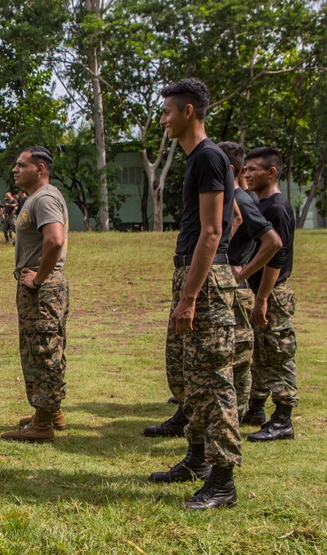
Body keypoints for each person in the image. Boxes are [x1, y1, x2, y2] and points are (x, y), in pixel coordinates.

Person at [144, 142, 281, 438]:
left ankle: (242, 417)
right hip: (213, 276)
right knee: (196, 365)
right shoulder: (229, 193)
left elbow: (273, 243)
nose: (164, 119)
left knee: (226, 364)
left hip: (221, 285)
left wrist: (234, 267)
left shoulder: (240, 195)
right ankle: (192, 422)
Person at [148, 78, 239, 510]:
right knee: (193, 379)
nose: (163, 119)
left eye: (167, 112)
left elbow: (214, 229)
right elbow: (230, 219)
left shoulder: (207, 157)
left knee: (213, 381)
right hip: (197, 275)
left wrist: (191, 295)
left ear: (188, 112)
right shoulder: (201, 159)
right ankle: (197, 461)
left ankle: (222, 482)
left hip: (202, 284)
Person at [0, 147, 69, 443]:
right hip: (41, 284)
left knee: (41, 351)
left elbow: (55, 240)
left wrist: (38, 278)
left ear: (39, 168)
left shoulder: (45, 197)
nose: (15, 169)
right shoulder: (37, 198)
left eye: (21, 165)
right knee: (45, 346)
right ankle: (51, 412)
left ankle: (43, 424)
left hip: (42, 287)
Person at [242, 147, 297, 442]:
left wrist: (262, 298)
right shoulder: (259, 204)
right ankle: (256, 408)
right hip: (260, 290)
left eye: (253, 170)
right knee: (260, 353)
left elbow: (276, 257)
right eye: (246, 169)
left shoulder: (277, 207)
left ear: (271, 172)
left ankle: (284, 420)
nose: (247, 174)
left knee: (278, 354)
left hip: (273, 291)